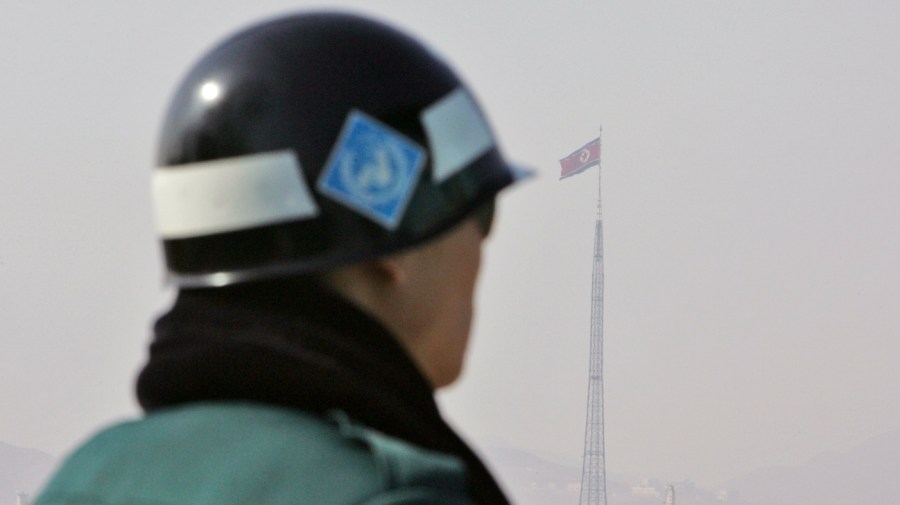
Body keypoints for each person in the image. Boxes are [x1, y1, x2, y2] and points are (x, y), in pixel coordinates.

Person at [35, 11, 529, 505]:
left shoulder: (83, 480)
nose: (481, 253)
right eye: (480, 217)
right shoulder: (390, 494)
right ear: (392, 251)